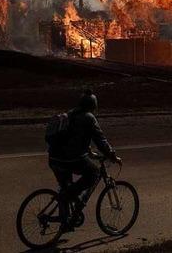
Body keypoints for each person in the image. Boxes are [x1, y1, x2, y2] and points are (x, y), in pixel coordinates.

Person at [48, 89, 121, 225]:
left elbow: (76, 137)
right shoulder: (89, 117)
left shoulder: (71, 113)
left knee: (66, 188)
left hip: (54, 158)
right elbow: (101, 140)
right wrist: (112, 156)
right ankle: (67, 198)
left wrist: (90, 153)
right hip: (70, 159)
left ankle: (65, 223)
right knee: (94, 173)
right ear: (93, 105)